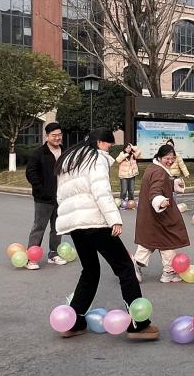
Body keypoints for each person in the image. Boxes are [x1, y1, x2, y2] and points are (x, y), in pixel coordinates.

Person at [54, 128, 159, 340]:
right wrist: (114, 220)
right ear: (100, 143)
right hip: (95, 222)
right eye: (109, 144)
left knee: (90, 270)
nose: (110, 148)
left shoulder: (70, 160)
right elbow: (101, 191)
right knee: (125, 268)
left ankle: (74, 322)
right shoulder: (97, 158)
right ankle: (139, 324)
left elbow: (61, 195)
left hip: (75, 225)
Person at [134, 144, 191, 284]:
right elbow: (155, 190)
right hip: (159, 215)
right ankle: (168, 272)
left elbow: (158, 185)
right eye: (167, 158)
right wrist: (159, 200)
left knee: (150, 242)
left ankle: (135, 266)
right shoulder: (159, 172)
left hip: (151, 215)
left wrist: (173, 184)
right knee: (167, 241)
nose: (170, 161)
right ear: (159, 157)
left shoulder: (153, 168)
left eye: (172, 158)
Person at [24, 122, 67, 270]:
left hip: (61, 197)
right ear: (47, 136)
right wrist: (41, 189)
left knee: (57, 228)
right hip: (44, 198)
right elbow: (30, 172)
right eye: (54, 135)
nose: (57, 138)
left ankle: (53, 254)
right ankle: (31, 258)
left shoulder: (65, 151)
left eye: (59, 135)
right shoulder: (39, 153)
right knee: (39, 227)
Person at [115, 143, 142, 207]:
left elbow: (139, 152)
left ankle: (131, 203)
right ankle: (121, 203)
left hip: (132, 175)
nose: (128, 149)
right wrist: (125, 155)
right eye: (127, 148)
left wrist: (133, 147)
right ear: (124, 148)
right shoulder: (122, 154)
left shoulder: (133, 154)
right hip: (124, 176)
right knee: (124, 191)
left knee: (131, 191)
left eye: (129, 148)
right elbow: (118, 160)